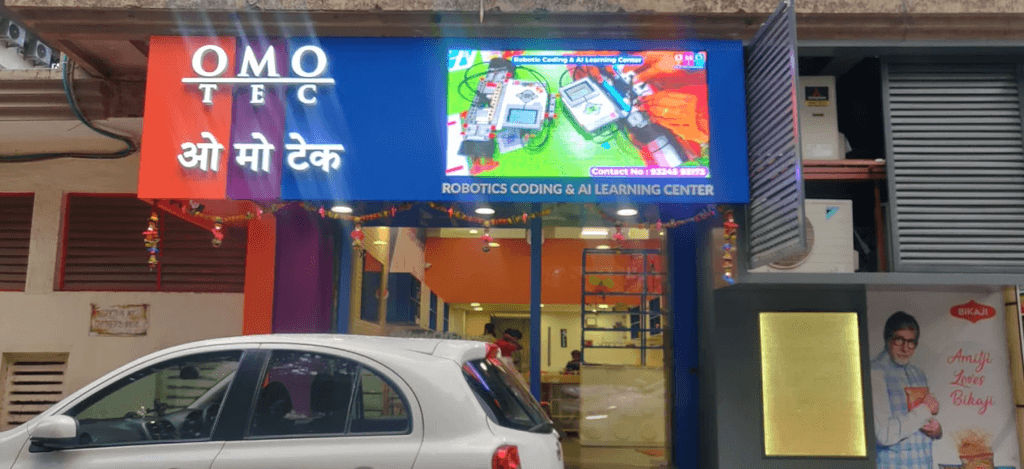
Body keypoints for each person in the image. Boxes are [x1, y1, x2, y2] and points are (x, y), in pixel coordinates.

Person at [871, 311, 942, 469]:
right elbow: (883, 434)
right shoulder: (875, 373)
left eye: (911, 342)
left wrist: (936, 430)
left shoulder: (918, 374)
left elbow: (921, 420)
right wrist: (925, 410)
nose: (905, 348)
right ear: (887, 339)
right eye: (899, 340)